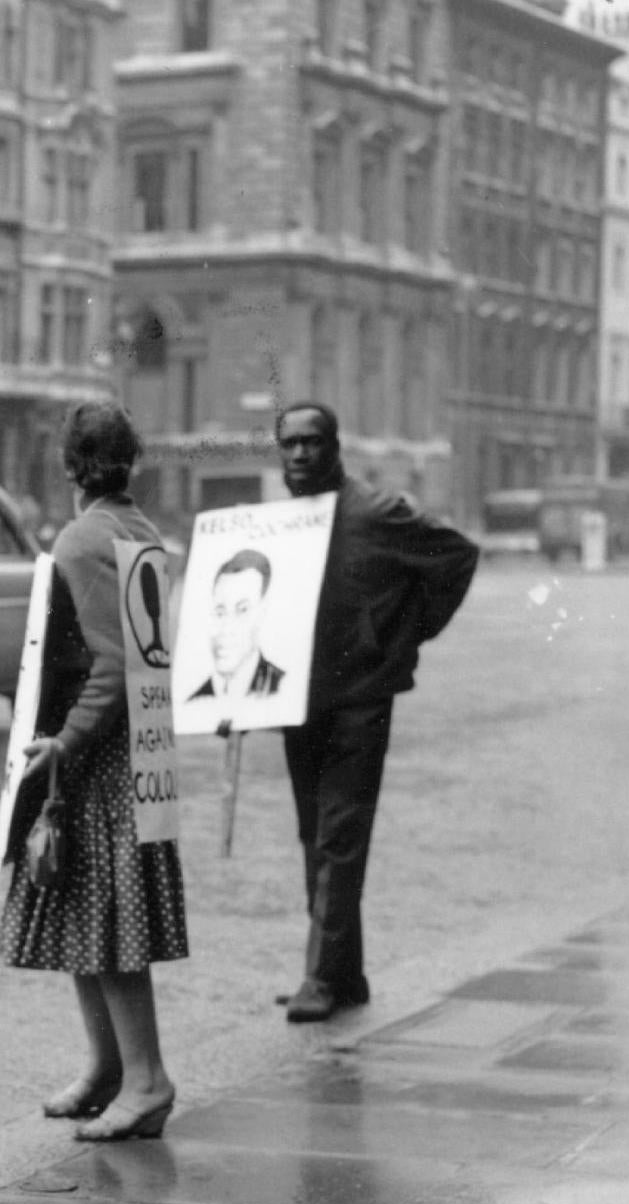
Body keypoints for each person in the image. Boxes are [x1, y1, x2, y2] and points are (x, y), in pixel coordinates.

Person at [0, 401, 188, 1141]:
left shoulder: (82, 539)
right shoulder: (140, 531)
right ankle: (107, 1067)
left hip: (98, 755)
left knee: (107, 921)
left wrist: (64, 742)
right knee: (89, 912)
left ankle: (145, 1080)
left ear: (67, 465)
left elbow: (107, 663)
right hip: (136, 747)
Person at [273, 402, 478, 1023]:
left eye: (312, 443)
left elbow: (457, 556)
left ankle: (320, 979)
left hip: (359, 703)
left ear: (335, 447)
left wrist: (405, 636)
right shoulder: (286, 524)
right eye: (290, 445)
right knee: (317, 836)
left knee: (339, 837)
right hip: (301, 704)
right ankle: (342, 973)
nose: (300, 454)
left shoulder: (377, 512)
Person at [188, 548, 286, 700]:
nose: (226, 628)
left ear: (262, 613)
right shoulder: (193, 703)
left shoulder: (284, 690)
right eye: (220, 613)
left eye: (242, 610)